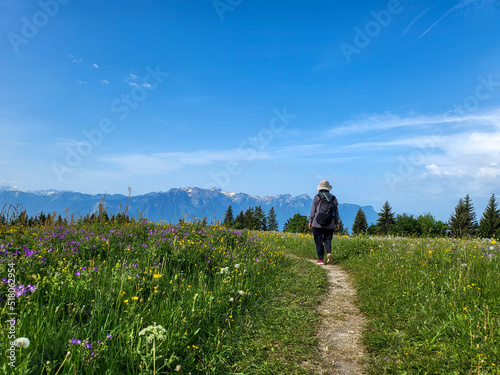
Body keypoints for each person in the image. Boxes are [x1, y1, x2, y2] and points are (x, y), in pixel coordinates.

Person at [308, 179, 340, 265]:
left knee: (318, 241)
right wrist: (336, 223)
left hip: (317, 223)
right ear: (328, 189)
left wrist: (310, 221)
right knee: (328, 239)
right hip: (330, 223)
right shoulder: (333, 198)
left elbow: (313, 210)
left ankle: (321, 260)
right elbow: (336, 212)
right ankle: (329, 253)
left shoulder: (317, 197)